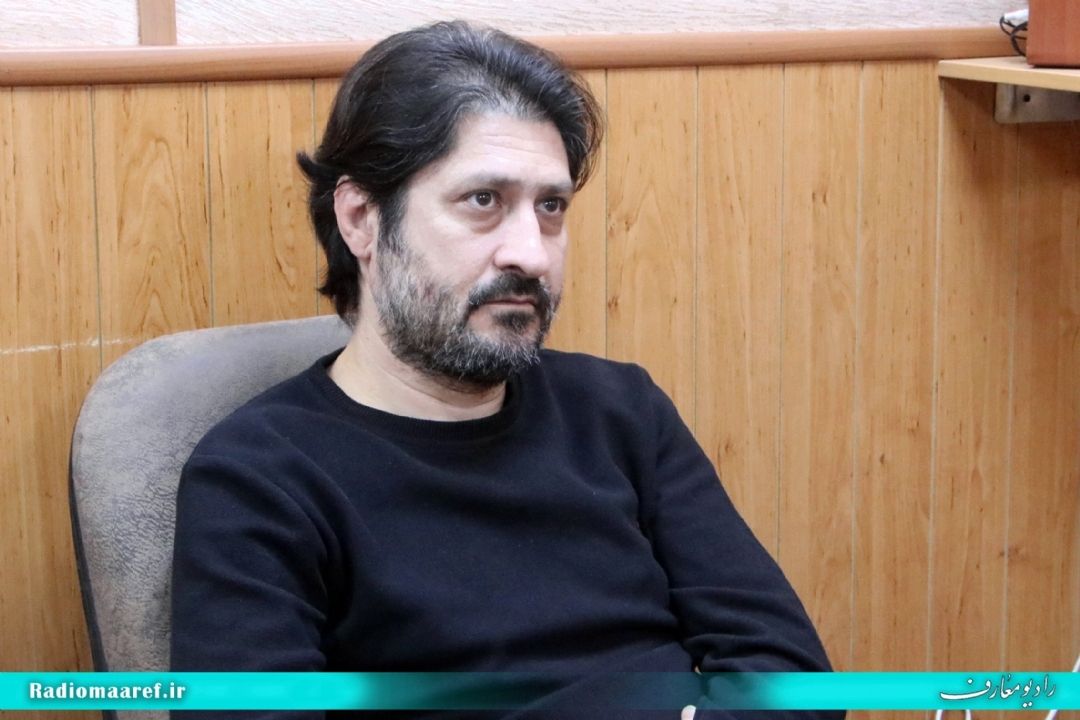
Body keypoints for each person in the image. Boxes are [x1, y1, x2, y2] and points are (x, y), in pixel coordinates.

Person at [170, 20, 840, 720]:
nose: (533, 253)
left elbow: (789, 672)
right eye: (483, 201)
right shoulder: (258, 475)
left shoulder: (621, 411)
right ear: (362, 218)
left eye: (550, 207)